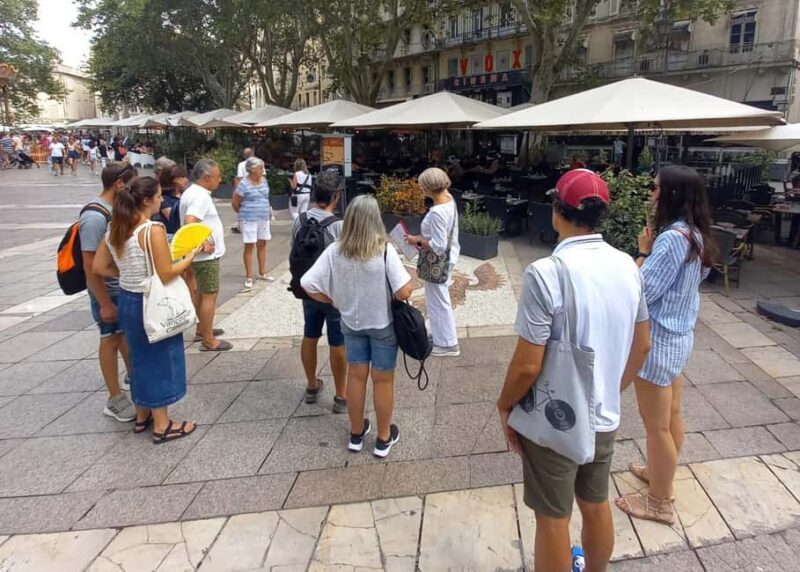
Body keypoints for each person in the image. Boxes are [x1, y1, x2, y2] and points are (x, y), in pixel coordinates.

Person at [497, 169, 651, 572]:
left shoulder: (546, 273)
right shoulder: (628, 266)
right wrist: (614, 389)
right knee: (595, 500)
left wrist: (504, 405)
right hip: (604, 413)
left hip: (557, 417)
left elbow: (528, 364)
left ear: (556, 211)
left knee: (552, 515)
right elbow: (643, 343)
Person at [616, 165, 714, 526]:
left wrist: (643, 252)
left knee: (656, 426)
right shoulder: (695, 235)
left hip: (657, 342)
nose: (651, 194)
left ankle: (659, 502)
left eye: (656, 188)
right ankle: (661, 476)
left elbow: (642, 291)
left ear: (671, 194)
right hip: (678, 338)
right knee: (671, 416)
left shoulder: (672, 239)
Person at [301, 195, 414, 457]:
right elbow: (403, 291)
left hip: (351, 323)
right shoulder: (383, 250)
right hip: (383, 325)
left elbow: (308, 283)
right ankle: (384, 438)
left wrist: (334, 301)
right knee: (383, 380)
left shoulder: (335, 251)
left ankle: (355, 433)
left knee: (356, 376)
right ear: (375, 220)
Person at [92, 176, 199, 443]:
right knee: (159, 359)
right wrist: (189, 257)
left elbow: (99, 267)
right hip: (151, 301)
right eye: (159, 196)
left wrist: (128, 272)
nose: (163, 199)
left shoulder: (116, 227)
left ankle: (143, 415)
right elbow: (165, 273)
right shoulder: (152, 230)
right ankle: (162, 424)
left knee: (138, 358)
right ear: (147, 201)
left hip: (128, 299)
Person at [80, 163, 139, 422]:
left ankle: (132, 379)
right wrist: (103, 302)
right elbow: (90, 265)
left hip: (121, 288)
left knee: (123, 335)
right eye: (131, 184)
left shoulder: (114, 210)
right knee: (110, 338)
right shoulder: (94, 217)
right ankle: (114, 398)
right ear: (119, 184)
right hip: (107, 292)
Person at [291, 170, 347, 414]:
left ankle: (312, 385)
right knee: (338, 341)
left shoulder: (299, 220)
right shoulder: (339, 226)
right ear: (336, 196)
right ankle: (341, 395)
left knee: (310, 334)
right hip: (333, 294)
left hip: (307, 289)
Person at [405, 167, 461, 357]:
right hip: (448, 257)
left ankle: (448, 343)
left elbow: (438, 245)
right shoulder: (449, 200)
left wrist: (416, 240)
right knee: (437, 299)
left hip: (438, 261)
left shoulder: (437, 212)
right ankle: (441, 337)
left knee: (438, 300)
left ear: (427, 188)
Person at [179, 159, 231, 351]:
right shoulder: (200, 196)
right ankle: (208, 340)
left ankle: (203, 329)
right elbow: (190, 220)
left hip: (197, 255)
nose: (220, 180)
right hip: (205, 256)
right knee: (209, 294)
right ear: (206, 177)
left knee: (202, 292)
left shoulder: (191, 192)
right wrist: (202, 243)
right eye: (217, 176)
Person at [232, 157, 275, 289]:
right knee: (249, 245)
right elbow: (235, 201)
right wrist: (242, 213)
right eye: (260, 168)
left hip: (263, 217)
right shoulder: (244, 184)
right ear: (252, 170)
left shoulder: (264, 181)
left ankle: (262, 272)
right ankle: (249, 276)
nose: (263, 170)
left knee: (262, 243)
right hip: (249, 218)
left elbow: (266, 197)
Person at [156, 165, 188, 237]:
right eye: (183, 177)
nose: (186, 180)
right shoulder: (164, 198)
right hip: (173, 236)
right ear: (174, 179)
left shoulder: (185, 195)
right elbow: (172, 217)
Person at [231, 148, 253, 234]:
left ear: (244, 156)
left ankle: (242, 227)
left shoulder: (241, 165)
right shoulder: (259, 164)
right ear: (252, 154)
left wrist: (235, 192)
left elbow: (239, 179)